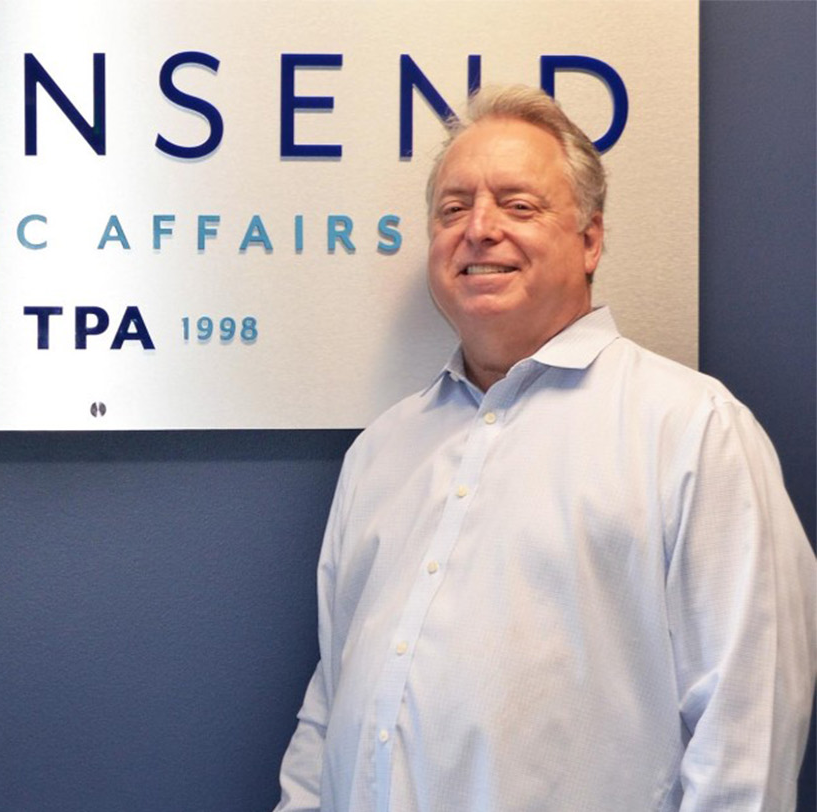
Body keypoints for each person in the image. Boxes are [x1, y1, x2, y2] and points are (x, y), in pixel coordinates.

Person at [274, 86, 817, 811]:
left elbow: (746, 734)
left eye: (518, 206)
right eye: (453, 208)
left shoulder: (691, 431)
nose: (479, 229)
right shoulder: (382, 451)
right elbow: (333, 701)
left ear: (590, 240)